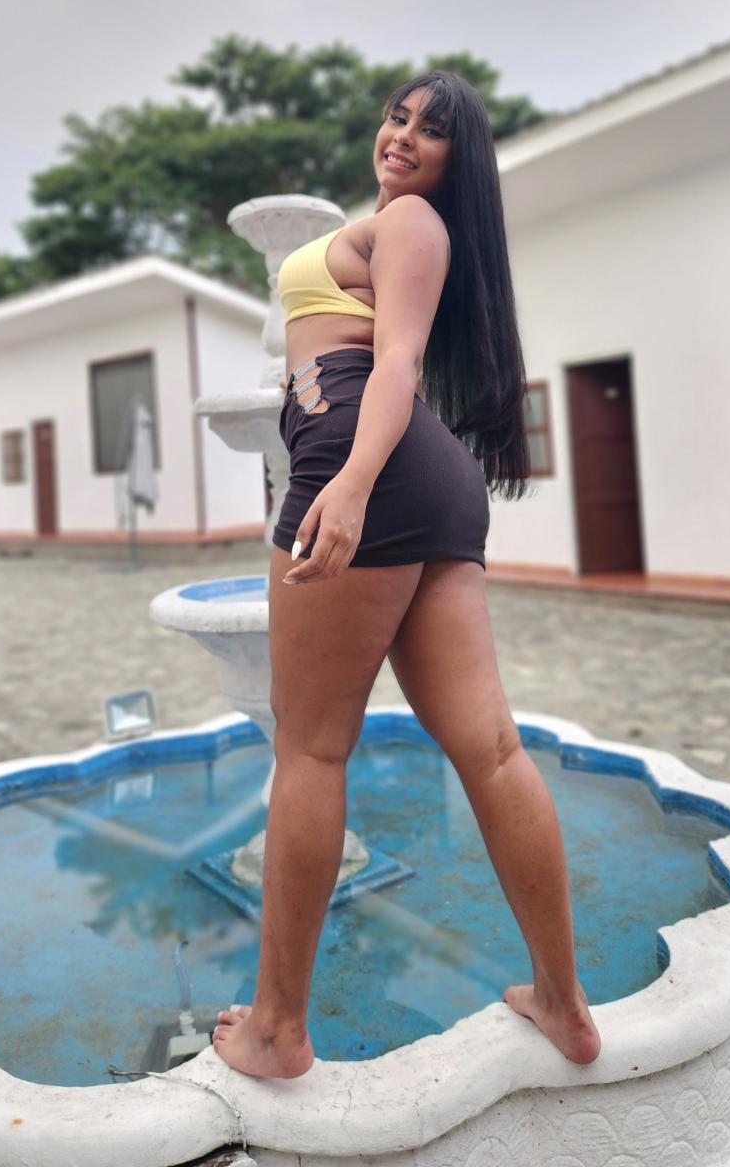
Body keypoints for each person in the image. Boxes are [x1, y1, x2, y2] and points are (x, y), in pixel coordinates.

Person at [212, 70, 601, 1079]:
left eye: (431, 131)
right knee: (492, 749)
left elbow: (396, 364)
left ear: (453, 163)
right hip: (420, 476)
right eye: (398, 116)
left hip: (363, 458)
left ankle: (276, 1028)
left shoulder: (412, 222)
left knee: (310, 748)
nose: (403, 136)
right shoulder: (394, 225)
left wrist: (347, 488)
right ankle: (563, 1004)